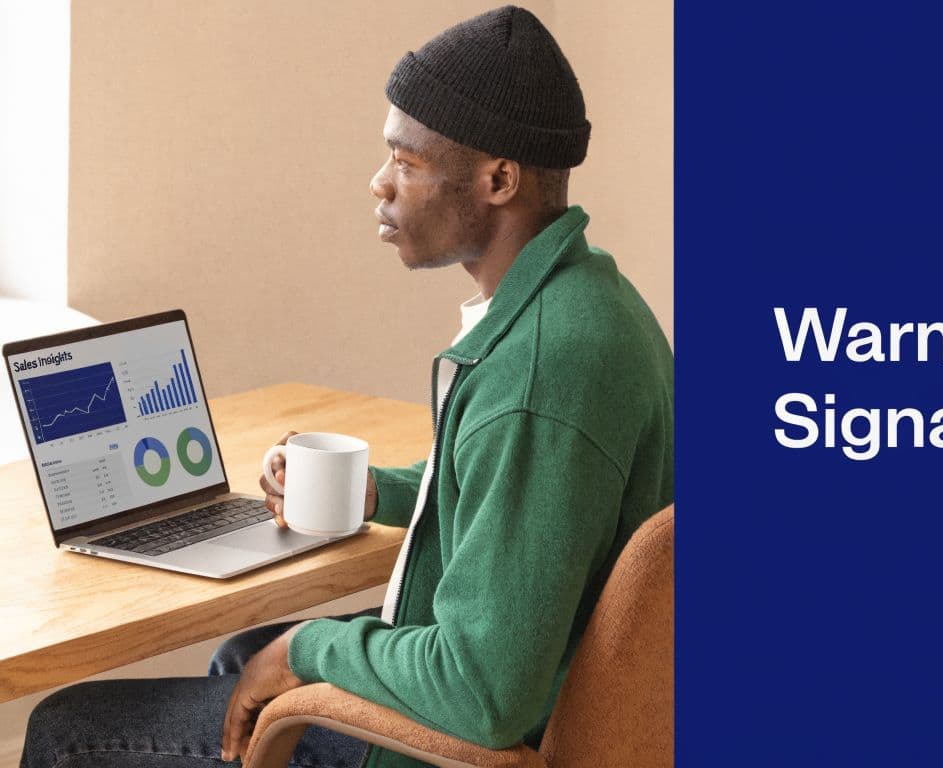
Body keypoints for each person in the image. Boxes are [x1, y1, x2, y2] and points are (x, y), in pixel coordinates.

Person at [20, 6, 674, 768]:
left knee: (69, 728)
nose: (379, 183)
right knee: (240, 656)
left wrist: (307, 647)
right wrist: (376, 493)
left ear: (498, 180)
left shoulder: (536, 375)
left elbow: (484, 693)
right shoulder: (592, 304)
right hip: (551, 691)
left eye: (406, 161)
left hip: (468, 745)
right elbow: (523, 500)